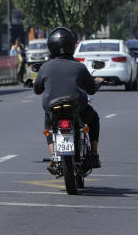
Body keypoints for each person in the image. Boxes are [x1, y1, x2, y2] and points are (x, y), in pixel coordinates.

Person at [33, 27, 102, 171]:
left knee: (48, 128)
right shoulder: (79, 67)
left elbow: (37, 90)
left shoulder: (45, 67)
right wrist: (98, 81)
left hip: (53, 110)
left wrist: (37, 82)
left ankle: (54, 157)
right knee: (93, 118)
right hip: (77, 108)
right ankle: (94, 153)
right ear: (72, 45)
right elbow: (91, 89)